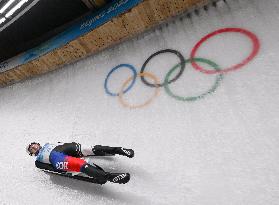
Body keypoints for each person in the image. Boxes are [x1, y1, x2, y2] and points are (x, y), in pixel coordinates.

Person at [26, 142, 134, 184]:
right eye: (31, 149)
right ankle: (110, 177)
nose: (33, 147)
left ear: (37, 143)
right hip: (56, 158)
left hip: (62, 148)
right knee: (80, 165)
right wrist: (65, 171)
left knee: (89, 148)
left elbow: (61, 143)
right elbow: (51, 169)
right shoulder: (38, 161)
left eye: (33, 145)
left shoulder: (48, 143)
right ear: (32, 154)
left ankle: (119, 150)